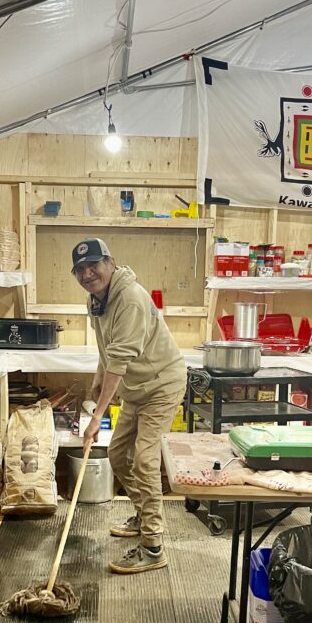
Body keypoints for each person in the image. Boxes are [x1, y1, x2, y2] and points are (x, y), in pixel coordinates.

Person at [72, 237, 186, 574]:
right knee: (118, 454)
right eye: (80, 269)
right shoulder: (97, 300)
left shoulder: (131, 299)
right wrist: (95, 392)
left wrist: (98, 417)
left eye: (93, 264)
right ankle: (143, 513)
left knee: (145, 460)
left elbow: (118, 361)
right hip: (137, 387)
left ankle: (152, 547)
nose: (87, 273)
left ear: (111, 262)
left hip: (162, 384)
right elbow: (108, 352)